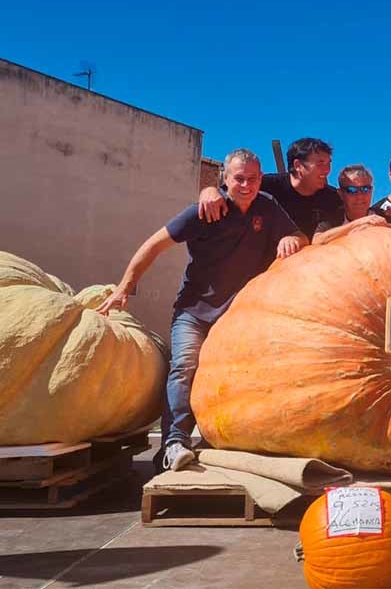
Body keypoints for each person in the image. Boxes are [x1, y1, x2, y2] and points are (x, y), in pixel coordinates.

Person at [98, 149, 307, 472]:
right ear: (225, 178)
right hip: (195, 311)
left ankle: (231, 441)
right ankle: (174, 444)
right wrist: (125, 287)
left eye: (253, 178)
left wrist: (292, 239)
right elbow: (153, 245)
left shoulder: (267, 206)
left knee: (245, 377)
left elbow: (299, 234)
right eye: (239, 178)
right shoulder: (203, 211)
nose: (247, 185)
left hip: (239, 316)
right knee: (184, 367)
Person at [198, 137, 343, 239]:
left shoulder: (332, 198)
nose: (328, 169)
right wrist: (209, 191)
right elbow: (228, 192)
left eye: (329, 162)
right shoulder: (266, 185)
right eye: (320, 163)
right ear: (298, 165)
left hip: (308, 272)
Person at [313, 164, 391, 245]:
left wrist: (387, 226)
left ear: (372, 191)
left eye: (365, 189)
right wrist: (357, 224)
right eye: (351, 190)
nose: (359, 196)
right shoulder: (334, 217)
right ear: (341, 194)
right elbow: (317, 240)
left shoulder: (381, 216)